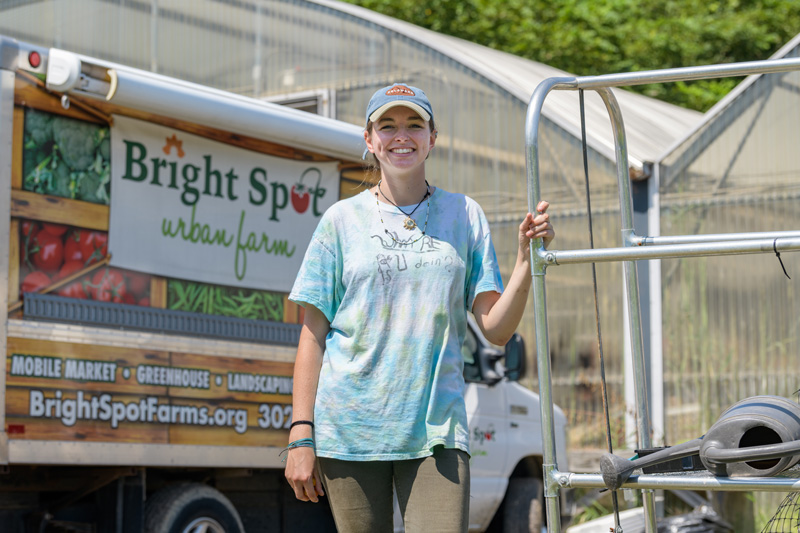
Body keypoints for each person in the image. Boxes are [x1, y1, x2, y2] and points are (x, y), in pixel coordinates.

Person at [284, 83, 554, 533]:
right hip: (350, 432)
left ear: (433, 137)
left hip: (438, 434)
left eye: (414, 124)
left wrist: (526, 261)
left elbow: (496, 329)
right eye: (386, 126)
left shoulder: (464, 215)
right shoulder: (340, 221)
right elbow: (312, 336)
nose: (401, 135)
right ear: (369, 140)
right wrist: (301, 434)